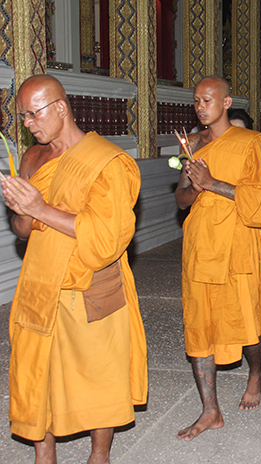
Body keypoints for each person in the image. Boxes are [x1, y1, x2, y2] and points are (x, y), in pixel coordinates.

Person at [1, 74, 147, 463]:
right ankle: (43, 454)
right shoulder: (32, 159)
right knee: (38, 375)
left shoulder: (108, 162)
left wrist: (40, 209)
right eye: (24, 117)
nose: (28, 124)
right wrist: (20, 209)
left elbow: (105, 239)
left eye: (34, 114)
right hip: (40, 282)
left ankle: (99, 455)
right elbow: (22, 231)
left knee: (100, 374)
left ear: (60, 108)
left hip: (91, 285)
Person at [175, 76, 261, 441]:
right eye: (196, 101)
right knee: (199, 327)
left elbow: (260, 203)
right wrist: (192, 181)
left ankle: (255, 373)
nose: (201, 106)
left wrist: (211, 182)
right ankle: (210, 410)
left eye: (208, 99)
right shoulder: (192, 144)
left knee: (248, 324)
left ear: (226, 102)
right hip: (200, 247)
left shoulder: (252, 142)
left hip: (238, 245)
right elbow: (181, 201)